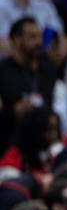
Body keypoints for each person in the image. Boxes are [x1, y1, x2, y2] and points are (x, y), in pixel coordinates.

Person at [0, 17, 58, 154]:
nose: (39, 42)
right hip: (9, 146)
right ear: (16, 39)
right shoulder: (2, 71)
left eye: (39, 36)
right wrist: (14, 111)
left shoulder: (49, 70)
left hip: (44, 145)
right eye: (32, 37)